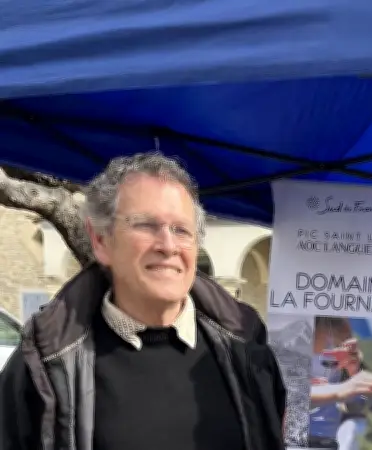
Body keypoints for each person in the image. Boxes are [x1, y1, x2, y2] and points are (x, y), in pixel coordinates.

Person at [0, 152, 286, 450]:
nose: (168, 246)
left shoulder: (246, 348)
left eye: (181, 230)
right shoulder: (46, 364)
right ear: (100, 240)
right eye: (146, 225)